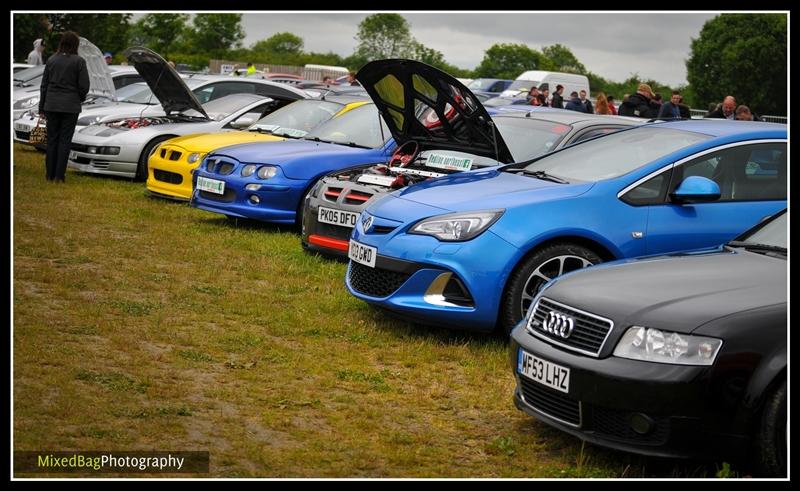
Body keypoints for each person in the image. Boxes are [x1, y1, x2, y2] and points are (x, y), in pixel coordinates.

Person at [39, 31, 90, 183]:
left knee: (52, 140)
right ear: (75, 45)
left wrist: (42, 108)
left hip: (51, 105)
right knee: (65, 141)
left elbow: (44, 86)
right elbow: (84, 86)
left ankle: (49, 175)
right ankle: (59, 176)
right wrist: (78, 98)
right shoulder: (79, 61)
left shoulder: (51, 60)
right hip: (70, 106)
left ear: (61, 43)